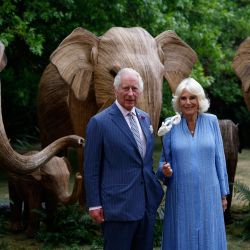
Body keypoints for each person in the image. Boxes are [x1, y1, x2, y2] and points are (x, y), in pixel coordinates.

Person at [84, 68, 164, 250]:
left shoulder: (145, 119)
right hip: (117, 207)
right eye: (125, 88)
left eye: (134, 89)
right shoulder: (99, 123)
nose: (130, 93)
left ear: (140, 92)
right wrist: (94, 204)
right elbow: (91, 168)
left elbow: (144, 161)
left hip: (146, 206)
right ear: (115, 90)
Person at [157, 77, 229, 250]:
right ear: (178, 101)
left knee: (209, 237)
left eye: (192, 98)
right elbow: (162, 164)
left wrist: (223, 194)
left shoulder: (212, 121)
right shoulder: (170, 125)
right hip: (180, 194)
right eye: (183, 98)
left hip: (210, 193)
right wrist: (164, 171)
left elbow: (220, 159)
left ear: (200, 100)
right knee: (182, 235)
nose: (188, 102)